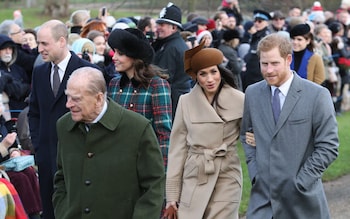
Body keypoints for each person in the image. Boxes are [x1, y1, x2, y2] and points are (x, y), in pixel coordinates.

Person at [240, 33, 339, 219]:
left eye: (274, 63)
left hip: (303, 201)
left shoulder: (317, 95)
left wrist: (300, 182)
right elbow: (247, 135)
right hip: (263, 202)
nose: (268, 70)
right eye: (264, 64)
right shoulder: (252, 94)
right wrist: (256, 174)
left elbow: (328, 146)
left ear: (288, 60)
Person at [53, 67, 165, 218]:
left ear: (99, 98)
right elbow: (61, 179)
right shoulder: (64, 126)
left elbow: (154, 185)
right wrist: (63, 212)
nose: (68, 104)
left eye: (76, 99)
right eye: (68, 97)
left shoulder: (137, 128)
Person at [165, 42, 244, 219]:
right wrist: (172, 196)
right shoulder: (186, 102)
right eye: (203, 74)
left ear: (220, 72)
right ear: (196, 77)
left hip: (227, 175)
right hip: (195, 174)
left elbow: (251, 135)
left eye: (213, 72)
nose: (209, 79)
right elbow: (177, 149)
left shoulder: (240, 100)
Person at [28, 19, 97, 219]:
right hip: (47, 158)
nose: (39, 48)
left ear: (61, 41)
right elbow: (34, 111)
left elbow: (95, 114)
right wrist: (38, 143)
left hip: (79, 158)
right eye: (38, 43)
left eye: (44, 43)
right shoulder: (40, 72)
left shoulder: (86, 71)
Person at [107, 28, 172, 169]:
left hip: (145, 163)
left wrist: (161, 172)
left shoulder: (156, 85)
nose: (114, 57)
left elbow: (164, 134)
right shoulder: (113, 84)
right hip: (116, 162)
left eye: (121, 53)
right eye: (114, 51)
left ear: (134, 56)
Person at [152, 2, 191, 117]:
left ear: (173, 27)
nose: (158, 27)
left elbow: (162, 77)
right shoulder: (170, 44)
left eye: (162, 24)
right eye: (158, 23)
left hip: (171, 103)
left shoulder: (172, 48)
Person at [241, 9, 271, 91]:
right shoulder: (255, 35)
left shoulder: (266, 38)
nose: (256, 23)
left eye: (260, 21)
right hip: (251, 75)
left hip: (258, 77)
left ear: (266, 23)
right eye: (255, 21)